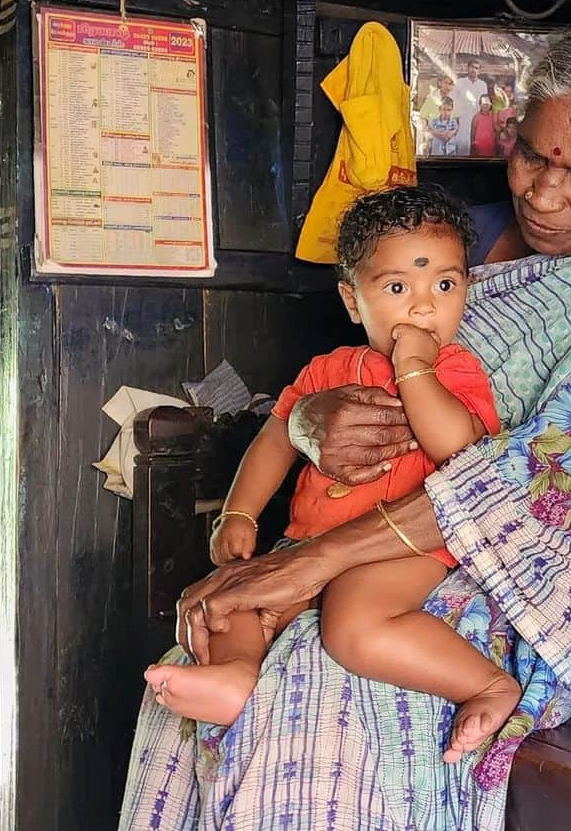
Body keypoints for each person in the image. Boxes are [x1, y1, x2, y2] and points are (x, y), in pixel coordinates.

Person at [120, 10, 571, 831]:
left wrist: (310, 565)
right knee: (196, 657)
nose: (544, 193)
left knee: (318, 687)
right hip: (378, 533)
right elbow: (333, 378)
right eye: (531, 156)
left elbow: (558, 478)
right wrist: (308, 428)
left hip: (541, 578)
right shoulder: (458, 233)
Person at [144, 187, 519, 744]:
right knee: (232, 603)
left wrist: (416, 370)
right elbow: (277, 438)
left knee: (352, 622)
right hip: (307, 542)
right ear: (352, 300)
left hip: (404, 549)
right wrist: (239, 514)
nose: (424, 306)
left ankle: (487, 686)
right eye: (397, 287)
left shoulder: (456, 371)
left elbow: (456, 449)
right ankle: (238, 678)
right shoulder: (328, 370)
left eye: (446, 284)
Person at [450, 59, 487, 156]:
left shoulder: (483, 85)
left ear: (479, 71)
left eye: (476, 68)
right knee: (462, 145)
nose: (474, 70)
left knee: (477, 146)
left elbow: (484, 103)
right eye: (472, 67)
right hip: (462, 118)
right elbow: (453, 100)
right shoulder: (459, 82)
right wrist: (455, 117)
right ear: (468, 68)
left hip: (478, 119)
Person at [470, 93, 499, 158]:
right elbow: (472, 134)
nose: (485, 106)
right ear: (480, 104)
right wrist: (472, 147)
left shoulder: (493, 115)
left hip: (491, 148)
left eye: (487, 104)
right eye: (483, 104)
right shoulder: (476, 117)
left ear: (490, 104)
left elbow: (496, 130)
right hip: (479, 149)